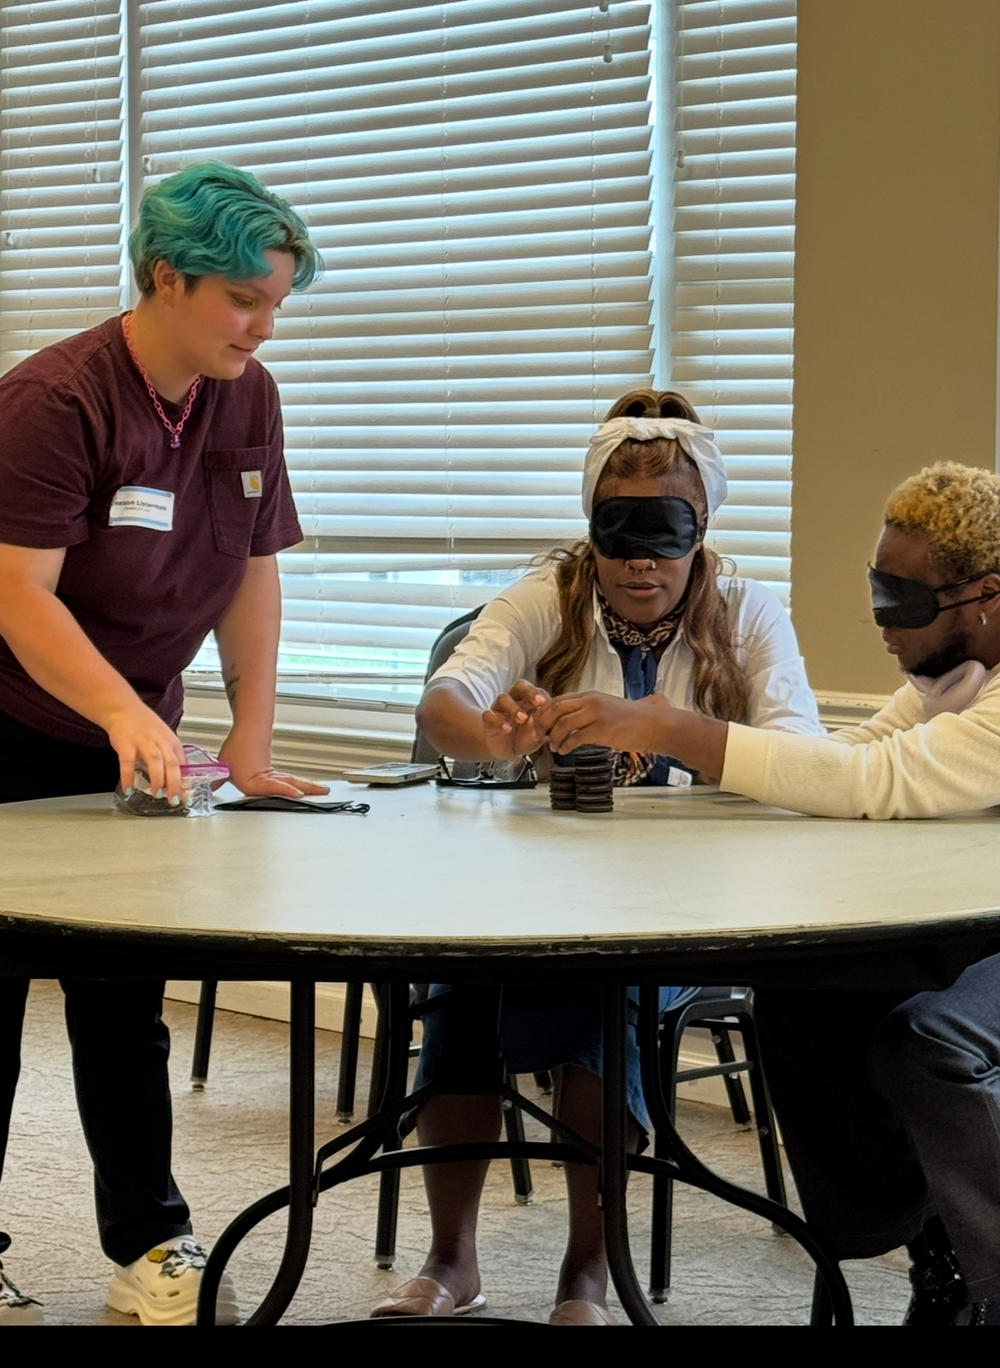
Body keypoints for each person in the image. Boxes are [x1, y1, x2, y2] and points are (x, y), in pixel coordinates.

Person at [370, 389, 823, 1324]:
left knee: (597, 1002)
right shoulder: (550, 596)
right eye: (618, 535)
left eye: (666, 537)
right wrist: (493, 736)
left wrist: (662, 727)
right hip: (537, 889)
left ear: (703, 530)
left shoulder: (748, 612)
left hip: (688, 900)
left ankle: (588, 1269)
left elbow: (802, 758)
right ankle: (452, 1259)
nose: (640, 563)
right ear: (590, 528)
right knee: (462, 994)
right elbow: (444, 702)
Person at [540, 459, 1000, 1325]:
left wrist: (676, 730)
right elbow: (850, 755)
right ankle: (918, 1234)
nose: (880, 619)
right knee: (805, 990)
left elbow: (877, 780)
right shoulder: (952, 680)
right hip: (980, 921)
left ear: (985, 596)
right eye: (876, 589)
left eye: (902, 599)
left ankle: (989, 1284)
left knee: (929, 1043)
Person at [0, 161, 328, 1325]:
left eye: (276, 302)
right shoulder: (53, 400)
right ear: (165, 277)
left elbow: (251, 568)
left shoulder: (247, 396)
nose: (263, 324)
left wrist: (248, 736)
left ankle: (151, 1247)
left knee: (120, 1005)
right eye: (243, 298)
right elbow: (20, 595)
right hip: (16, 721)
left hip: (128, 732)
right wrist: (121, 711)